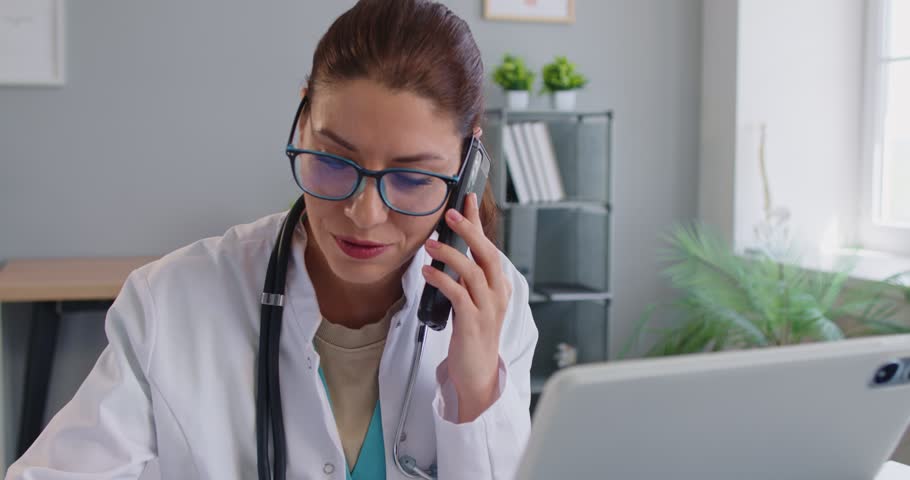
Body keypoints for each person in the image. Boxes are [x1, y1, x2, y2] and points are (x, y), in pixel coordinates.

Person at [5, 1, 538, 479]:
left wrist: (476, 389)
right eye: (334, 161)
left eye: (413, 178)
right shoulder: (172, 302)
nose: (364, 213)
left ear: (469, 167)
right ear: (303, 118)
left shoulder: (497, 308)